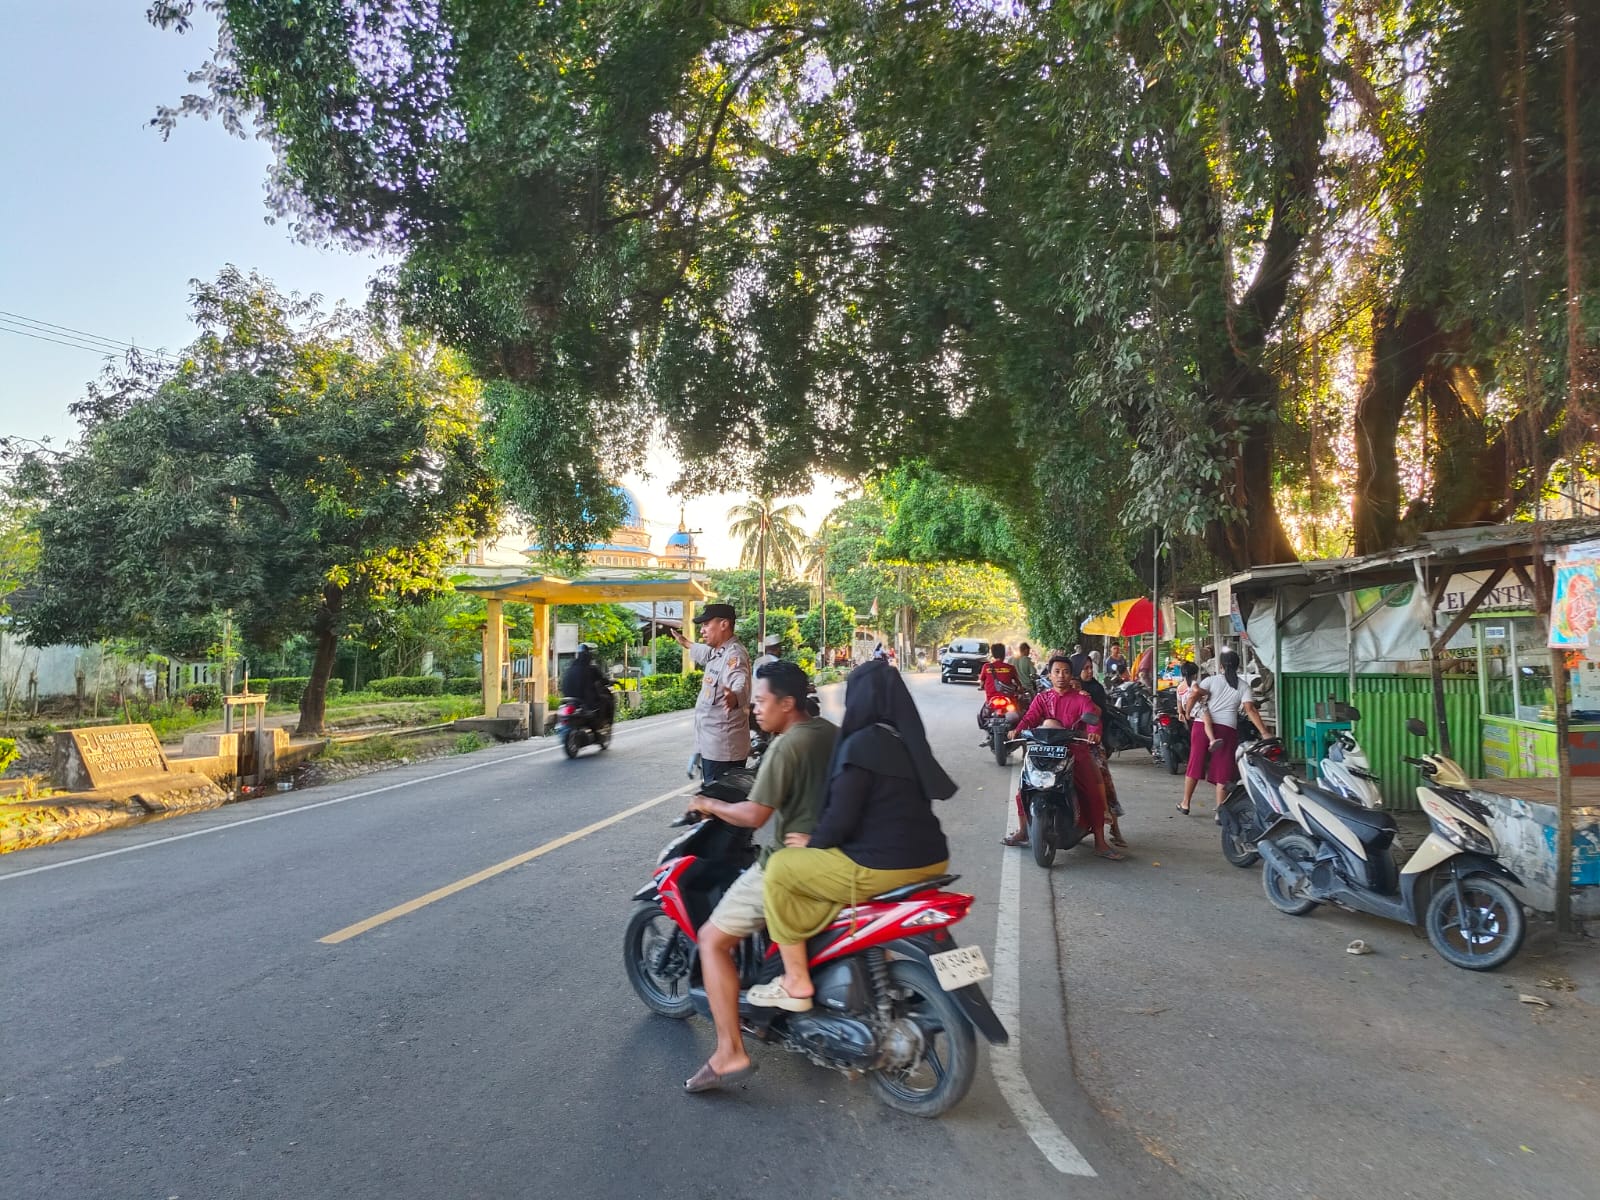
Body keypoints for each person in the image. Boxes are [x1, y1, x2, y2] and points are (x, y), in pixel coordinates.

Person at [749, 660, 955, 1011]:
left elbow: (840, 819)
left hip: (885, 866)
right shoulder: (904, 741)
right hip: (934, 861)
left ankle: (795, 981)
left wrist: (811, 843)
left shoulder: (861, 744)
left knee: (782, 868)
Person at [681, 661, 837, 1093]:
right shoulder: (828, 732)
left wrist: (707, 805)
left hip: (789, 865)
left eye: (762, 701)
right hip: (835, 857)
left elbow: (754, 813)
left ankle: (729, 1051)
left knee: (712, 940)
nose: (755, 709)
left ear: (788, 704)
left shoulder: (786, 746)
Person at [1005, 656, 1124, 860]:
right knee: (1024, 788)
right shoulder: (1042, 698)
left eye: (1065, 672)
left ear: (1071, 675)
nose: (1061, 676)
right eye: (1057, 672)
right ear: (1049, 675)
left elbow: (1093, 719)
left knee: (1092, 794)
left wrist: (1093, 732)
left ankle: (1100, 842)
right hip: (1043, 751)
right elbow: (1030, 717)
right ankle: (1024, 830)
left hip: (1075, 751)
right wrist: (1018, 730)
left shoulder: (1081, 698)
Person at [1180, 649, 1270, 817]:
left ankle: (1185, 803)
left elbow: (1192, 696)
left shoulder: (1210, 681)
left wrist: (1187, 712)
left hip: (1201, 726)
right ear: (1237, 666)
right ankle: (1219, 811)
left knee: (1195, 762)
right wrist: (1264, 733)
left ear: (1220, 665)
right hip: (1227, 729)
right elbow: (1250, 709)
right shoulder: (1243, 686)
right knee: (1223, 769)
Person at [673, 603, 752, 782]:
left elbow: (740, 681)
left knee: (720, 804)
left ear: (724, 624)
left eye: (706, 624)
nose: (702, 630)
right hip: (711, 747)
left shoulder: (734, 655)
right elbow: (703, 652)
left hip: (724, 752)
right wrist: (685, 643)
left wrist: (734, 696)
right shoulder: (718, 651)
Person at [1069, 652, 1127, 848]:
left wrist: (1086, 699)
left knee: (1102, 780)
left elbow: (1100, 712)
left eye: (1090, 667)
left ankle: (1113, 827)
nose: (1089, 671)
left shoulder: (1095, 688)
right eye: (1084, 668)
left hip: (1091, 740)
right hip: (1067, 741)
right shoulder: (1063, 687)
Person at [559, 643, 614, 726]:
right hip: (585, 702)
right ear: (588, 655)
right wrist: (610, 682)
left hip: (568, 700)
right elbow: (603, 680)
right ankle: (602, 724)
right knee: (605, 699)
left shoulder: (569, 668)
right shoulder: (591, 668)